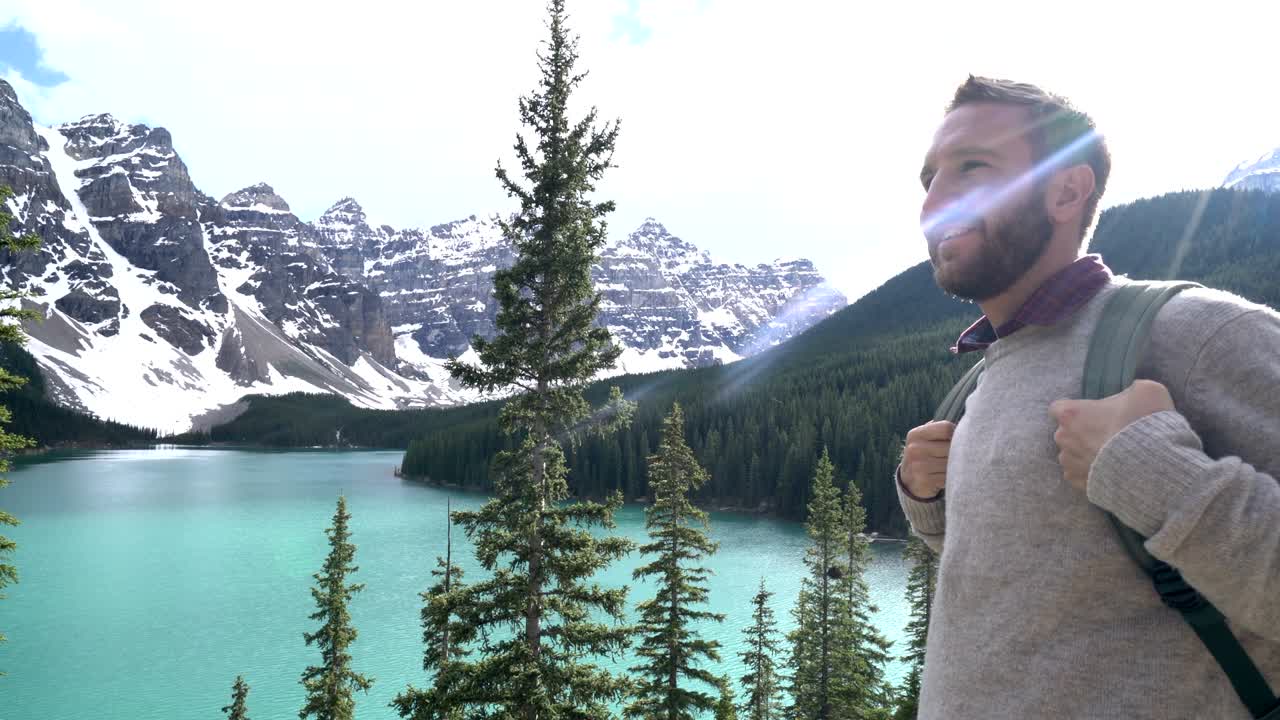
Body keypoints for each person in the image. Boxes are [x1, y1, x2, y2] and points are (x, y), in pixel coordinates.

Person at [897, 75, 1280, 720]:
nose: (936, 201)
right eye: (929, 179)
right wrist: (932, 504)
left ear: (1067, 190)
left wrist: (1162, 477)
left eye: (973, 167)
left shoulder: (1202, 332)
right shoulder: (990, 368)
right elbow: (1047, 575)